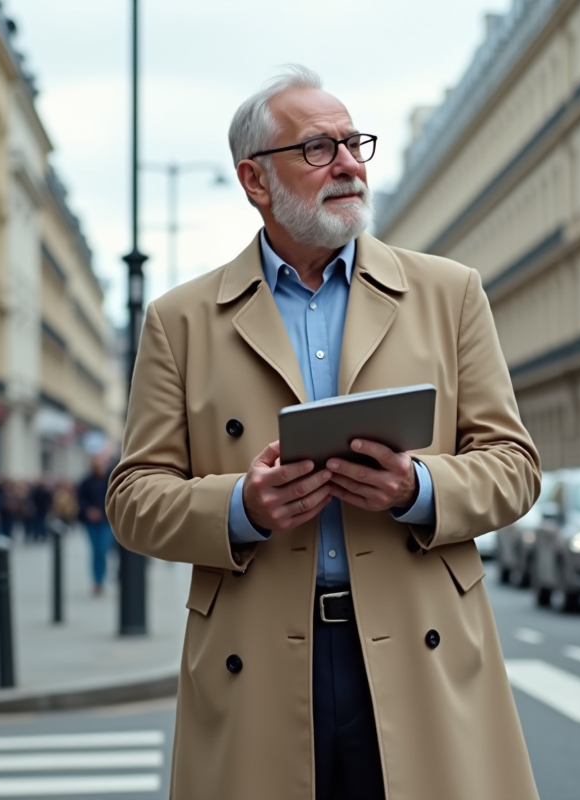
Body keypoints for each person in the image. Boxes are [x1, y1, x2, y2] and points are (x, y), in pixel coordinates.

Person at [106, 66, 541, 800]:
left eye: (353, 143)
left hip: (417, 652)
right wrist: (243, 506)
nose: (348, 164)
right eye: (317, 149)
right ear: (254, 180)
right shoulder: (180, 321)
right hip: (258, 659)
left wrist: (418, 486)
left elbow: (515, 465)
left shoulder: (449, 292)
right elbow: (133, 497)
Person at [78, 459, 112, 595]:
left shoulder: (109, 481)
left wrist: (102, 512)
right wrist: (89, 511)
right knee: (96, 550)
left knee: (103, 550)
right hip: (90, 522)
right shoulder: (85, 482)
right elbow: (80, 499)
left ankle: (102, 578)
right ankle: (97, 581)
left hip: (105, 521)